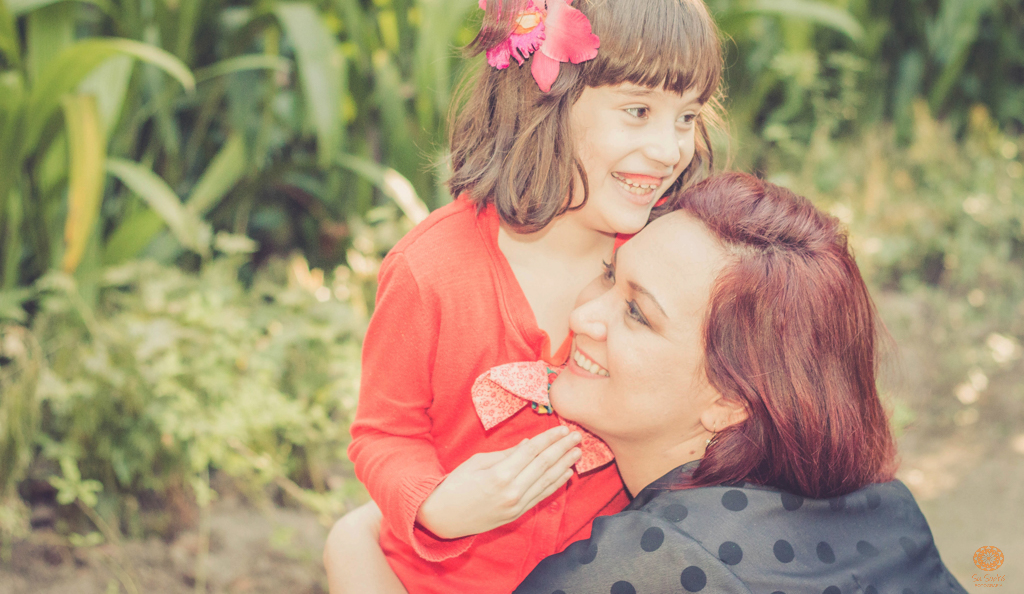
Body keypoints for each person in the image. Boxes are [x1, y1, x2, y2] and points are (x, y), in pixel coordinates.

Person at [328, 173, 966, 594]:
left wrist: (354, 545)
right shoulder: (886, 507)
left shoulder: (639, 570)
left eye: (637, 312)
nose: (582, 317)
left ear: (728, 402)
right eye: (608, 275)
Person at [346, 0, 724, 594]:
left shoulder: (660, 262)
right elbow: (385, 432)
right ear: (541, 102)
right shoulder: (431, 270)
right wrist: (435, 504)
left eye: (686, 116)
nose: (669, 149)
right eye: (638, 111)